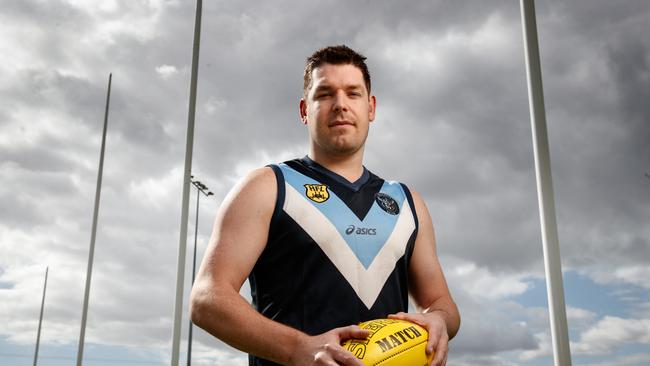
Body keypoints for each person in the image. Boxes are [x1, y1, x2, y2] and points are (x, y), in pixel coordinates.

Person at [190, 45, 460, 366]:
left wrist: (440, 320)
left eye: (353, 93)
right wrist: (298, 348)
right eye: (325, 94)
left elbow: (441, 304)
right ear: (305, 109)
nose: (341, 105)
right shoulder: (268, 186)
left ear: (371, 107)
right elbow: (207, 299)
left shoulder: (406, 202)